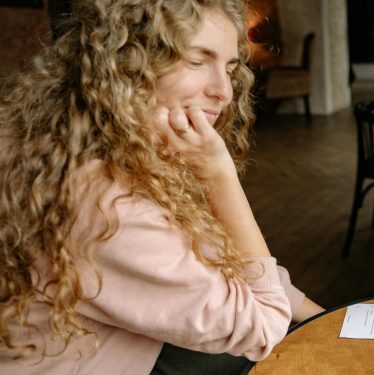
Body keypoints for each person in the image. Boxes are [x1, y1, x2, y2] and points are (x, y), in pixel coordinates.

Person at [0, 1, 323, 374]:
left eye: (231, 68)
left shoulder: (101, 143)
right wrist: (220, 175)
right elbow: (264, 323)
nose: (224, 91)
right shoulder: (104, 200)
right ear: (130, 65)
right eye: (197, 61)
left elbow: (227, 258)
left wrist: (335, 317)